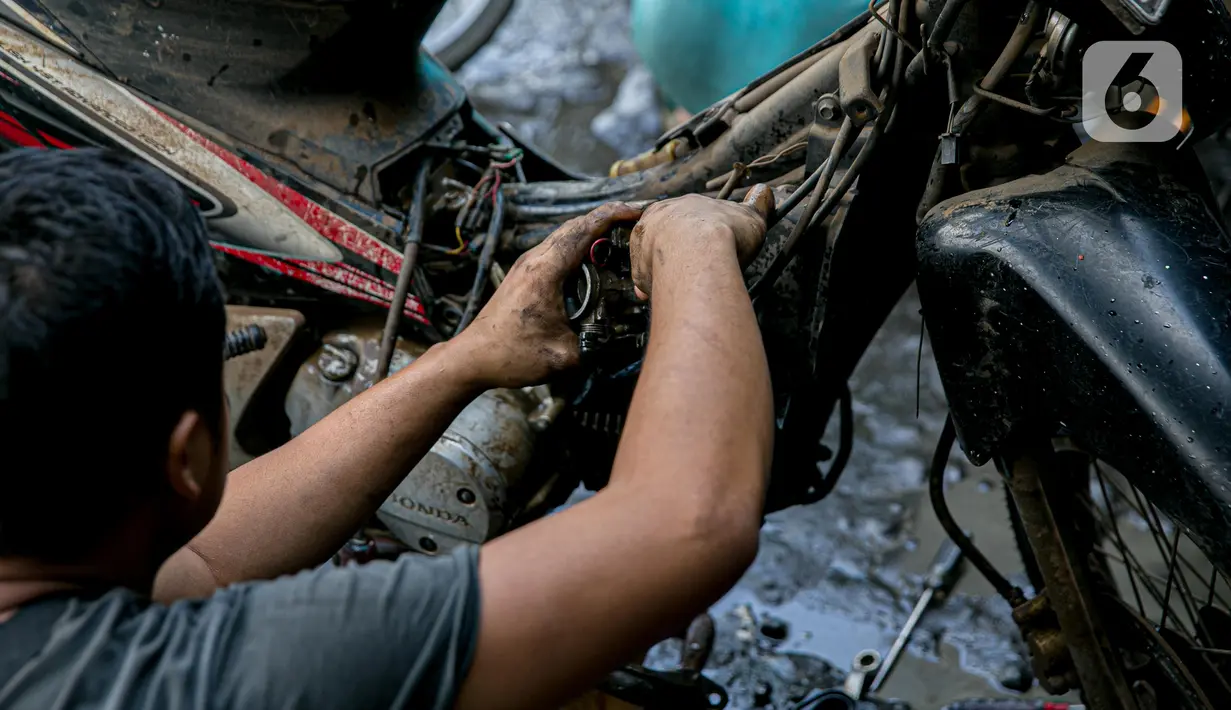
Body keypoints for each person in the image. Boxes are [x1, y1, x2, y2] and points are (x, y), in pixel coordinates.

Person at [0, 148, 777, 710]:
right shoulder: (195, 680)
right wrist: (691, 243)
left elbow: (202, 561)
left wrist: (460, 361)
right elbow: (685, 525)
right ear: (193, 454)